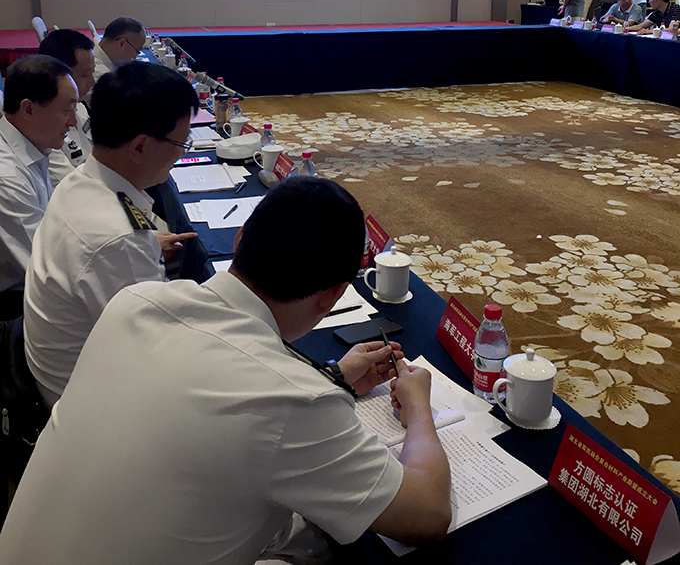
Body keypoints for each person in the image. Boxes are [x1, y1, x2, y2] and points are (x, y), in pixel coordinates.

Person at [1, 178, 452, 565]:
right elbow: (427, 515)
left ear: (238, 240)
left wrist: (334, 377)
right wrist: (417, 407)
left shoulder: (135, 303)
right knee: (316, 544)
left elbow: (211, 396)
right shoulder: (293, 401)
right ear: (333, 294)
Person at [24, 61, 200, 407]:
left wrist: (145, 246)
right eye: (182, 142)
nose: (182, 153)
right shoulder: (118, 241)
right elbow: (155, 355)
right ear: (139, 147)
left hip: (59, 372)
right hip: (84, 404)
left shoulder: (80, 181)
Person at [0, 56, 78, 320]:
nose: (73, 122)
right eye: (67, 111)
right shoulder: (7, 179)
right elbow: (48, 272)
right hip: (14, 306)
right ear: (29, 109)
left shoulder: (33, 141)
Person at [38, 28, 96, 185]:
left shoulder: (80, 107)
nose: (92, 82)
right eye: (85, 75)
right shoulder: (42, 129)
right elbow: (74, 186)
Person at [92, 15, 147, 79]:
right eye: (136, 52)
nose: (134, 58)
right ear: (121, 44)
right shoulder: (101, 76)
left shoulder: (106, 59)